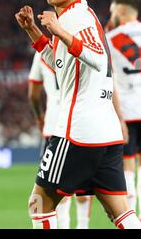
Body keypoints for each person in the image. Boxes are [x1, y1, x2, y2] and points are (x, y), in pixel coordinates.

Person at [15, 0, 141, 229]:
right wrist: (34, 32)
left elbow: (98, 59)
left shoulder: (76, 19)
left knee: (39, 204)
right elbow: (61, 66)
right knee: (119, 211)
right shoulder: (77, 16)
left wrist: (59, 30)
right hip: (105, 132)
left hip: (78, 132)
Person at [105, 0, 141, 229]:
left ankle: (132, 219)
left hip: (125, 113)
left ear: (119, 12)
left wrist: (110, 23)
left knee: (127, 166)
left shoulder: (110, 38)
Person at [28, 51, 93, 229]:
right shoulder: (81, 47)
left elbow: (33, 94)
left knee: (53, 189)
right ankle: (83, 226)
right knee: (84, 186)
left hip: (54, 126)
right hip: (81, 125)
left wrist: (39, 117)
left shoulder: (41, 53)